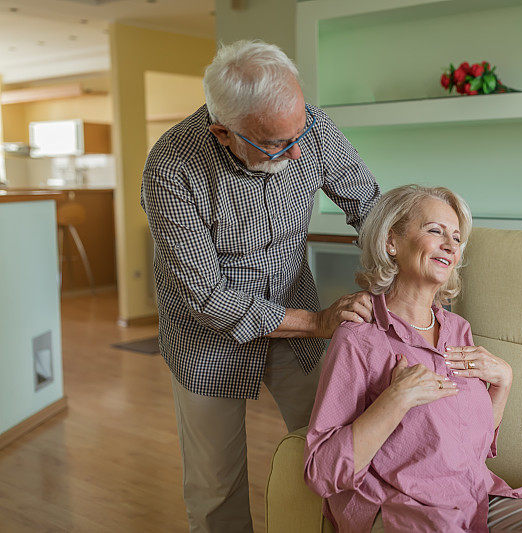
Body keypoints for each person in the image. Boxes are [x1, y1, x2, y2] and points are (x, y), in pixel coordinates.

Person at [140, 40, 381, 532]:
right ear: (224, 133)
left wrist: (402, 268)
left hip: (293, 316)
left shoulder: (309, 128)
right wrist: (317, 322)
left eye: (300, 134)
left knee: (333, 453)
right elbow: (207, 294)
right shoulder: (171, 168)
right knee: (215, 488)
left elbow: (371, 206)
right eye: (275, 144)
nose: (296, 153)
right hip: (207, 340)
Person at [304, 185, 522, 532]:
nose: (450, 245)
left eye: (456, 238)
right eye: (435, 231)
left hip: (475, 498)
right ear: (392, 242)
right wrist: (396, 400)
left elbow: (466, 443)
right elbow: (321, 471)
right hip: (407, 508)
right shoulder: (359, 337)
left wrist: (504, 383)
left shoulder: (458, 330)